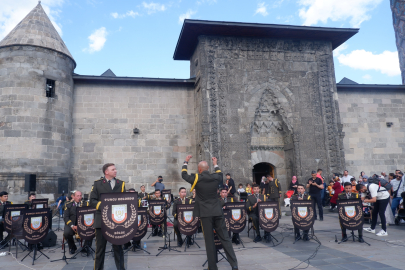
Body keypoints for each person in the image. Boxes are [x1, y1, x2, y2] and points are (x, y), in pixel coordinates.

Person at [182, 155, 238, 270]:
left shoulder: (197, 178)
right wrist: (215, 163)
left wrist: (186, 162)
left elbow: (184, 175)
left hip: (205, 213)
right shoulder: (215, 177)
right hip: (217, 211)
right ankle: (234, 264)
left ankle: (212, 267)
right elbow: (220, 173)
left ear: (200, 170)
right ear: (208, 168)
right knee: (225, 238)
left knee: (209, 241)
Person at [90, 163, 126, 270]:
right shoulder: (97, 184)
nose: (116, 171)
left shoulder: (121, 183)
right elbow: (92, 201)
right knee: (100, 250)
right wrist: (105, 207)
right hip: (101, 220)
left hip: (117, 221)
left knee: (118, 249)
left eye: (115, 169)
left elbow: (124, 200)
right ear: (106, 172)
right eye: (113, 169)